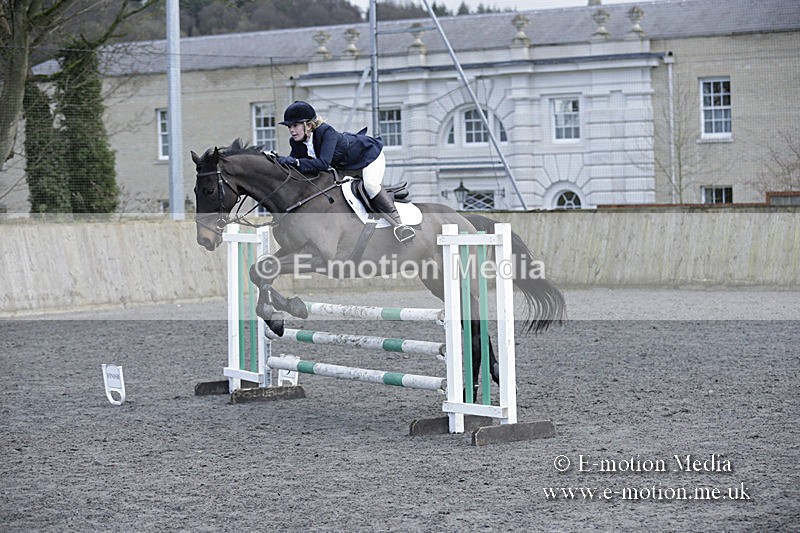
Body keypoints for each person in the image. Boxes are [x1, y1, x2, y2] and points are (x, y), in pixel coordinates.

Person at [276, 101, 415, 244]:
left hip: (368, 156)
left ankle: (400, 226)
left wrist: (296, 162)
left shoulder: (326, 132)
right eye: (289, 126)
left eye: (295, 125)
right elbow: (297, 169)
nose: (291, 130)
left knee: (370, 185)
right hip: (346, 167)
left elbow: (323, 163)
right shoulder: (295, 142)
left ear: (309, 125)